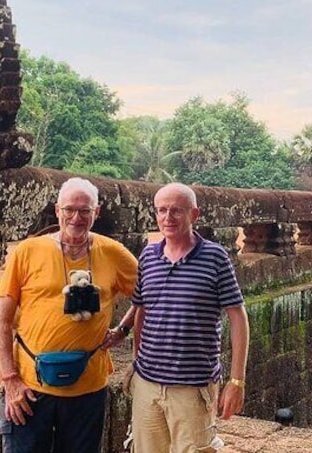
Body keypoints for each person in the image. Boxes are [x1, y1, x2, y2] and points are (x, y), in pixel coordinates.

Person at [0, 177, 138, 453]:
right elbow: (2, 318)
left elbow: (149, 293)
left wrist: (122, 330)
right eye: (69, 209)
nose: (76, 217)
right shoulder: (27, 251)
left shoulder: (112, 253)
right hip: (29, 387)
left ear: (97, 213)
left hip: (88, 388)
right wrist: (10, 379)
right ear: (57, 210)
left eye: (85, 211)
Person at [129, 183, 250, 453]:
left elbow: (237, 317)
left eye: (176, 211)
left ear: (194, 215)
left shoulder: (214, 257)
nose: (167, 218)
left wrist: (236, 381)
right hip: (147, 385)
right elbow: (141, 309)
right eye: (161, 210)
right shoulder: (149, 256)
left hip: (192, 388)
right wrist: (137, 362)